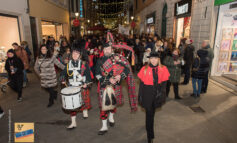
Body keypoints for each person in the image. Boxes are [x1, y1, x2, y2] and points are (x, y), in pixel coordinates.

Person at [95, 43, 137, 135]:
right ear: (103, 50)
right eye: (105, 49)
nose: (107, 51)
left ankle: (111, 117)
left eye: (108, 49)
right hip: (104, 86)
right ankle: (104, 126)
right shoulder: (100, 61)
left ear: (112, 49)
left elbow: (127, 69)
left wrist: (120, 76)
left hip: (116, 86)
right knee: (104, 107)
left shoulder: (118, 58)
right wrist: (107, 79)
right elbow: (97, 74)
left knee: (114, 104)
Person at [138, 52, 170, 143]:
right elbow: (142, 86)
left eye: (155, 58)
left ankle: (148, 126)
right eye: (152, 58)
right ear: (149, 59)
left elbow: (164, 85)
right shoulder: (144, 69)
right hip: (147, 94)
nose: (154, 60)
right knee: (149, 114)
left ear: (158, 59)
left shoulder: (164, 69)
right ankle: (150, 136)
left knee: (152, 114)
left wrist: (162, 95)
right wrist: (140, 96)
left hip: (157, 94)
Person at [61, 48, 92, 129]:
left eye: (77, 54)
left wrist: (87, 83)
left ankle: (85, 110)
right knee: (72, 105)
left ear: (80, 55)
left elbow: (89, 76)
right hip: (72, 87)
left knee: (83, 102)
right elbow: (63, 74)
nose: (75, 55)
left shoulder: (84, 64)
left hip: (82, 86)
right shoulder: (68, 65)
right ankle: (73, 123)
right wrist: (62, 79)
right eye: (73, 53)